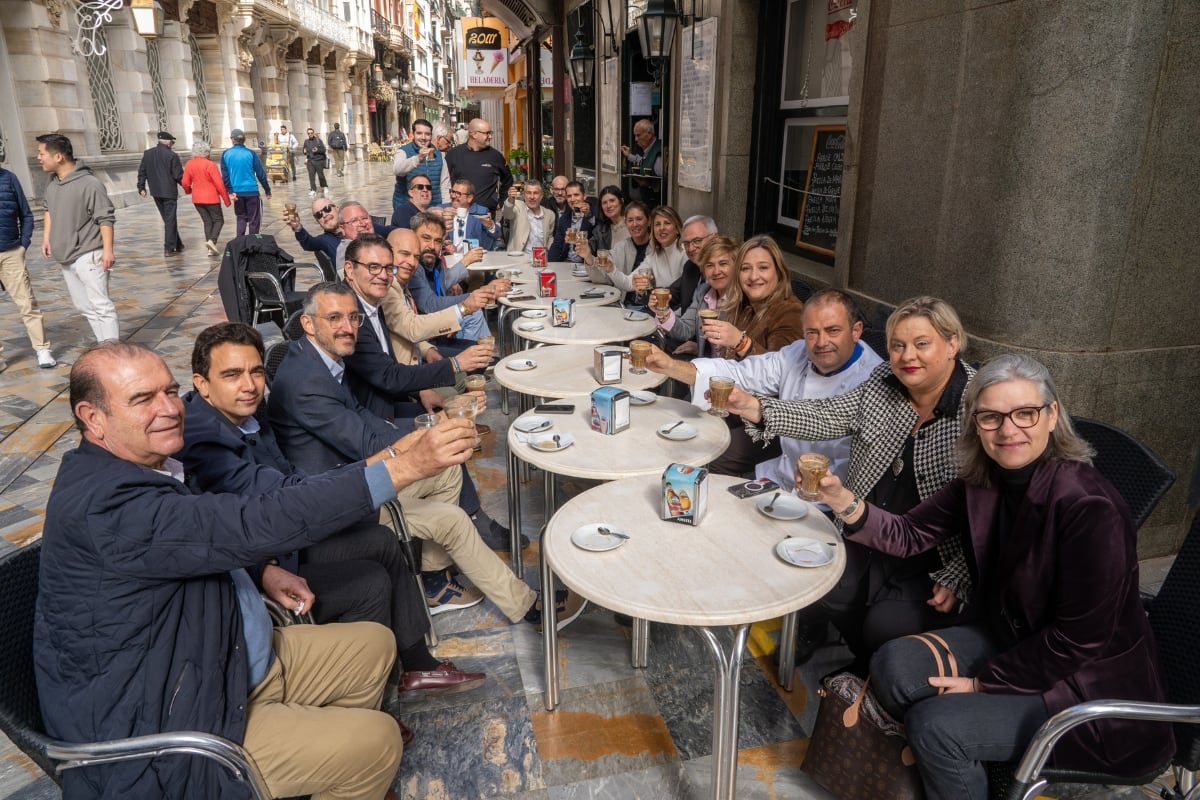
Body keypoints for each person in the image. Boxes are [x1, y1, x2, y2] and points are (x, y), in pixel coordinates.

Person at [35, 341, 477, 797]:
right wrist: (401, 468)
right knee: (378, 743)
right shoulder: (109, 504)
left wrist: (262, 570)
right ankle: (353, 766)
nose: (169, 408)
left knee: (375, 644)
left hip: (227, 657)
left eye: (170, 391)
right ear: (93, 418)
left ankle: (328, 772)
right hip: (179, 726)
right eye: (143, 399)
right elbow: (258, 517)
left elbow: (201, 536)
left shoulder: (144, 467)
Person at [815, 354, 1174, 800]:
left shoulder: (1088, 507)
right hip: (1015, 637)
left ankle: (958, 747)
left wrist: (982, 683)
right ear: (975, 422)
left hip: (1084, 685)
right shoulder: (983, 478)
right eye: (991, 416)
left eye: (1025, 413)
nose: (1008, 430)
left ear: (1052, 415)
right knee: (891, 664)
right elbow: (908, 533)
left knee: (936, 728)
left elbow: (1079, 641)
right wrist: (841, 499)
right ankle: (959, 760)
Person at [179, 322, 485, 704]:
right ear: (201, 383)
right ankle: (369, 700)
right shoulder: (205, 438)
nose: (249, 385)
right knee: (369, 580)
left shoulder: (247, 417)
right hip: (262, 556)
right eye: (231, 374)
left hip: (283, 535)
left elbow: (292, 479)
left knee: (382, 540)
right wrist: (397, 460)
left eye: (256, 372)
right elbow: (279, 498)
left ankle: (415, 665)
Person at [267, 282, 587, 627]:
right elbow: (366, 443)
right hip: (335, 502)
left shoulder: (318, 359)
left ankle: (434, 583)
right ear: (309, 324)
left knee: (447, 471)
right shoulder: (307, 381)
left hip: (349, 477)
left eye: (353, 317)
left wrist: (436, 423)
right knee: (451, 521)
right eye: (334, 318)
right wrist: (440, 424)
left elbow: (363, 419)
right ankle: (529, 608)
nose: (347, 327)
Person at [725, 296, 976, 674]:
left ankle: (874, 683)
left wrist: (959, 571)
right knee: (827, 590)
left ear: (952, 343)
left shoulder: (979, 404)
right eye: (897, 345)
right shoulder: (883, 382)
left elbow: (995, 505)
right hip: (865, 522)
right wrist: (756, 407)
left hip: (931, 554)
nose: (908, 355)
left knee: (884, 628)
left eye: (922, 344)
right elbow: (827, 416)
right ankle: (865, 674)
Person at [648, 288, 882, 481]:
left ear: (856, 331)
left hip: (831, 497)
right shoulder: (797, 353)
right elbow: (740, 372)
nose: (821, 342)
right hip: (780, 475)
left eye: (832, 331)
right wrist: (671, 366)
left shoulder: (874, 380)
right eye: (812, 332)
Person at [36, 132, 119, 343]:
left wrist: (107, 251)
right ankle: (104, 346)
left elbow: (105, 218)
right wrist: (46, 237)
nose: (38, 157)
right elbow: (48, 209)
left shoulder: (89, 183)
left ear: (58, 157)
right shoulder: (52, 183)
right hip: (65, 255)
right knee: (84, 306)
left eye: (41, 153)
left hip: (89, 253)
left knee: (100, 304)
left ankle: (114, 352)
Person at [380, 228, 503, 369]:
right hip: (408, 367)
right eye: (404, 254)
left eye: (415, 257)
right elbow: (416, 321)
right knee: (476, 359)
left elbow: (405, 329)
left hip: (424, 346)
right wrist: (465, 306)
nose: (411, 262)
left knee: (477, 352)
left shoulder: (411, 279)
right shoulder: (388, 287)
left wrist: (429, 350)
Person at [699, 236, 804, 360]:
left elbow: (782, 371)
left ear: (779, 272)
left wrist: (741, 342)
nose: (753, 276)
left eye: (763, 267)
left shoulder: (791, 312)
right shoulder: (744, 306)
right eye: (746, 268)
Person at [405, 212, 492, 344]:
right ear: (412, 237)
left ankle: (480, 355)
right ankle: (476, 356)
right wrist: (470, 298)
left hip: (437, 325)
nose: (432, 246)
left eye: (438, 241)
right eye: (426, 238)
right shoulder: (412, 267)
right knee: (473, 313)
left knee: (473, 312)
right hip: (424, 339)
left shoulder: (435, 264)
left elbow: (443, 283)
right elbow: (430, 305)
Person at [0, 166, 55, 370]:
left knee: (27, 303)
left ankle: (42, 349)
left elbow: (26, 214)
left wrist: (23, 245)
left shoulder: (9, 178)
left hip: (11, 252)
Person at [653, 235, 738, 357]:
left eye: (723, 263)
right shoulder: (703, 292)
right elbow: (685, 330)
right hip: (707, 368)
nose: (716, 271)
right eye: (709, 265)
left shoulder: (742, 298)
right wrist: (662, 310)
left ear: (736, 266)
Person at [587, 204, 685, 309]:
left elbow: (688, 295)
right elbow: (629, 283)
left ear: (677, 229)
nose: (661, 228)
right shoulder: (653, 255)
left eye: (667, 223)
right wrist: (611, 269)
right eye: (657, 224)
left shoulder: (686, 252)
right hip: (659, 311)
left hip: (676, 313)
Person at [444, 117, 512, 214]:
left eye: (490, 133)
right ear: (474, 134)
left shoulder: (495, 156)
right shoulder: (454, 154)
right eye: (487, 133)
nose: (490, 136)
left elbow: (508, 180)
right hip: (459, 213)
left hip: (486, 215)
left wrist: (500, 202)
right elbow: (445, 182)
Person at [136, 130, 185, 256]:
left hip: (156, 192)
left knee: (168, 219)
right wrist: (188, 186)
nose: (172, 144)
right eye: (172, 142)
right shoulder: (172, 155)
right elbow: (178, 175)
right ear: (168, 142)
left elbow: (142, 171)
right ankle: (168, 248)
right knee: (170, 219)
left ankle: (177, 244)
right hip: (169, 192)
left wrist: (141, 187)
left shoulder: (148, 154)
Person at [181, 140, 231, 257]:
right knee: (219, 220)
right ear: (207, 152)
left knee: (207, 222)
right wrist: (226, 200)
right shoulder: (210, 165)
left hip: (197, 198)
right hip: (211, 198)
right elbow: (219, 184)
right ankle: (212, 240)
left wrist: (189, 191)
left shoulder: (189, 164)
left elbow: (185, 182)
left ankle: (211, 248)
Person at [220, 128, 271, 236]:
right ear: (243, 140)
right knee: (254, 220)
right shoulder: (251, 153)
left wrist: (230, 191)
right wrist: (267, 190)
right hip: (252, 191)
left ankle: (240, 242)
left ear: (232, 140)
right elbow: (261, 174)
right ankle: (252, 243)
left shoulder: (226, 154)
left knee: (241, 218)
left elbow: (225, 176)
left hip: (237, 192)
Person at [391, 119, 450, 209]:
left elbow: (445, 185)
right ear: (413, 134)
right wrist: (417, 159)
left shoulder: (439, 156)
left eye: (427, 134)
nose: (423, 137)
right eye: (419, 133)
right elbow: (397, 170)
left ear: (431, 136)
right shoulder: (403, 152)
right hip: (407, 208)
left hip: (433, 208)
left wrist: (445, 207)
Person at [438, 178, 501, 253]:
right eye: (452, 191)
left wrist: (490, 226)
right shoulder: (441, 210)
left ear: (469, 198)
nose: (453, 196)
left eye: (458, 193)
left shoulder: (480, 211)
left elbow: (496, 236)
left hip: (474, 259)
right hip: (448, 259)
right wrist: (444, 248)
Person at [676, 215, 718, 316]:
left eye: (697, 241)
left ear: (715, 238)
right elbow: (670, 293)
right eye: (686, 243)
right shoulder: (691, 267)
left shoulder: (733, 273)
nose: (690, 248)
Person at [499, 180, 556, 255]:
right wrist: (510, 200)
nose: (532, 197)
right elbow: (507, 214)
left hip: (541, 259)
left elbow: (550, 237)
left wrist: (548, 252)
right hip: (518, 259)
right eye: (528, 193)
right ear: (524, 195)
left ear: (541, 196)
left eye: (535, 193)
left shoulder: (549, 214)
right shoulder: (517, 206)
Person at [546, 181, 596, 263]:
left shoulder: (593, 213)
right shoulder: (564, 218)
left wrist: (588, 215)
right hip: (567, 263)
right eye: (569, 196)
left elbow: (596, 231)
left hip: (587, 264)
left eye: (576, 195)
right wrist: (549, 264)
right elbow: (556, 245)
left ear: (584, 196)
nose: (572, 199)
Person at [287, 197, 341, 266]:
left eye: (327, 209)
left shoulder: (355, 227)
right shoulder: (324, 241)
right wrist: (297, 227)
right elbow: (309, 242)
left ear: (337, 208)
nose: (324, 215)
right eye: (319, 215)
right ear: (317, 221)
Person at [621, 119, 662, 206]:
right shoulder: (649, 150)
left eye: (638, 135)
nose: (636, 139)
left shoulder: (658, 151)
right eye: (635, 136)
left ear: (649, 134)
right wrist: (629, 156)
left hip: (655, 202)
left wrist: (649, 183)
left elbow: (660, 178)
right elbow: (644, 161)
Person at [589, 185, 628, 253]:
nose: (608, 206)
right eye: (604, 203)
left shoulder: (633, 223)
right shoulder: (600, 230)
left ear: (621, 201)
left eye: (612, 200)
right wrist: (579, 242)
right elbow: (590, 248)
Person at [303, 126, 329, 197]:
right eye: (309, 133)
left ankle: (325, 186)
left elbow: (323, 150)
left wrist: (317, 150)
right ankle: (313, 190)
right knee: (311, 176)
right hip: (310, 161)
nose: (310, 134)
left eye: (311, 133)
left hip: (318, 161)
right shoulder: (306, 141)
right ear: (307, 134)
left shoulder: (318, 140)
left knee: (320, 175)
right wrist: (304, 152)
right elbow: (304, 150)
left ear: (313, 133)